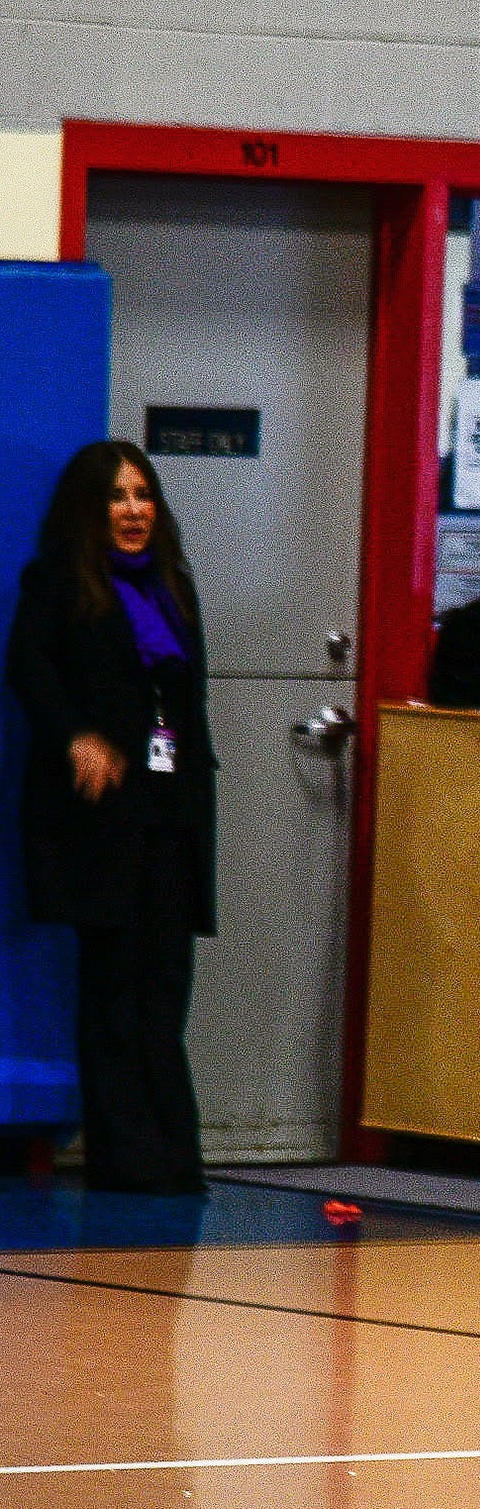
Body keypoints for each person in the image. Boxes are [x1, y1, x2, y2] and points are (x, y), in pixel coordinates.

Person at [7, 441, 214, 1195]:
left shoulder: (172, 585)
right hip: (101, 813)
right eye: (118, 498)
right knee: (114, 984)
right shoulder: (57, 581)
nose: (133, 511)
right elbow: (28, 665)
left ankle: (175, 1155)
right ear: (91, 510)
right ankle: (125, 1159)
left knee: (165, 982)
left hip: (170, 807)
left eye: (143, 495)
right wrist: (77, 737)